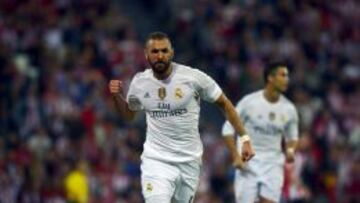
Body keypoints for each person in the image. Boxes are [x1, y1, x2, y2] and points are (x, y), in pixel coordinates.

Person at [108, 31, 255, 203]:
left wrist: (244, 138)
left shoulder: (193, 78)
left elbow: (225, 104)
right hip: (156, 160)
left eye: (164, 51)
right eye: (155, 52)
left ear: (172, 53)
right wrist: (117, 97)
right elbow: (129, 115)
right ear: (146, 55)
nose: (160, 55)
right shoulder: (139, 83)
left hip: (188, 161)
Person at [222, 62, 299, 203]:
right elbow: (228, 128)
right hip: (248, 162)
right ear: (270, 78)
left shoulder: (289, 109)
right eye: (283, 75)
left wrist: (290, 150)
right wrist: (235, 156)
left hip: (273, 163)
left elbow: (292, 136)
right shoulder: (249, 102)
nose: (287, 79)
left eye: (287, 76)